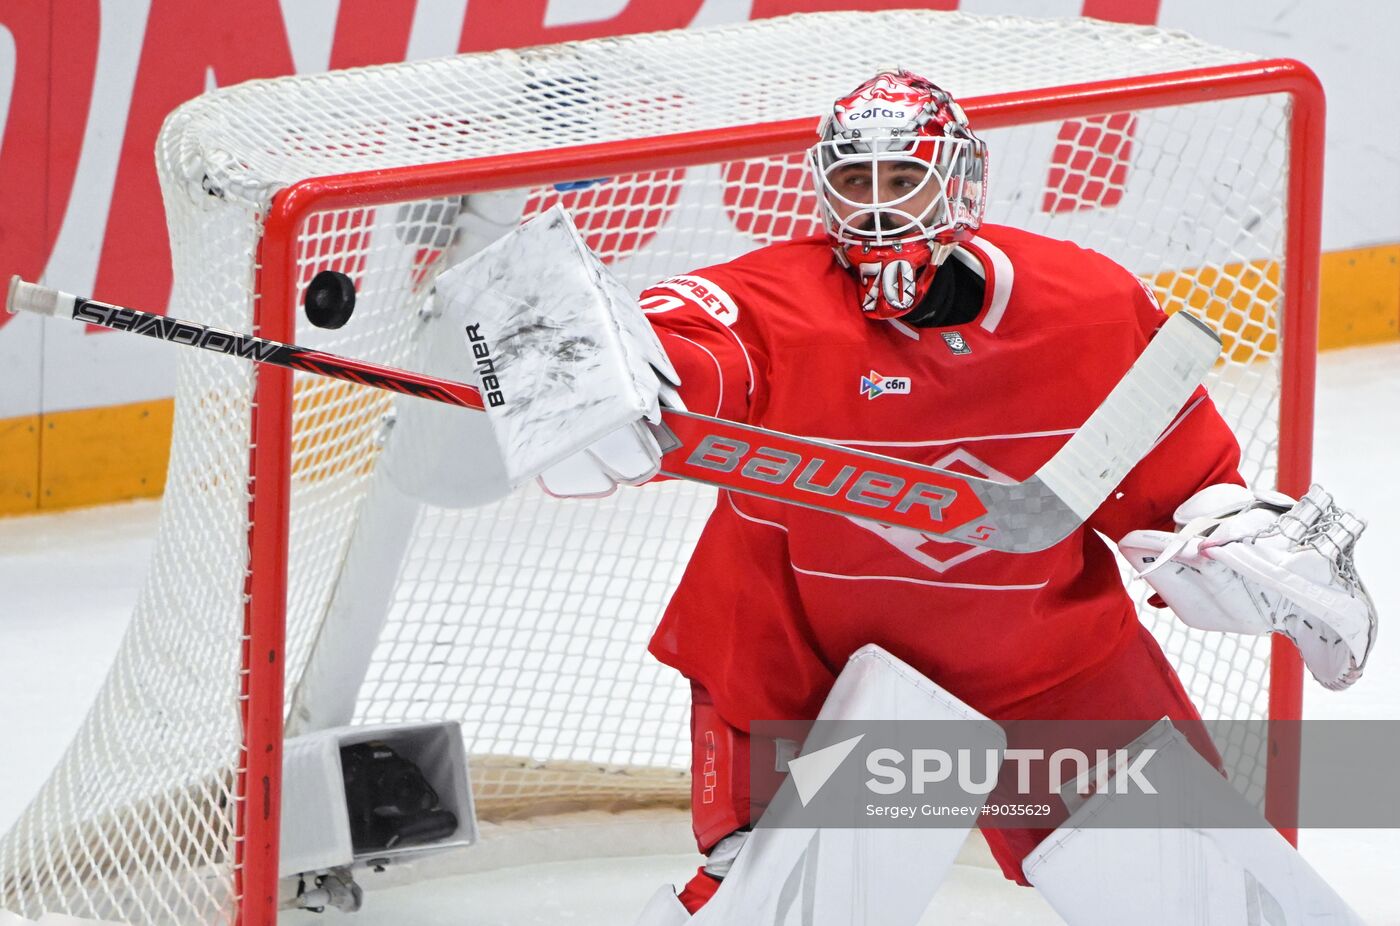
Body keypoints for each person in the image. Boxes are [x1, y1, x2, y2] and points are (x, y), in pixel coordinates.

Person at [497, 70, 1375, 922]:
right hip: (808, 671)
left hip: (1043, 663)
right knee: (767, 904)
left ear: (959, 181)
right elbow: (697, 340)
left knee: (1194, 892)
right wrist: (610, 373)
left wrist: (1226, 532)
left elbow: (1176, 486)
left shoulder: (1087, 306)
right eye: (855, 180)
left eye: (903, 178)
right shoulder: (776, 301)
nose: (879, 207)